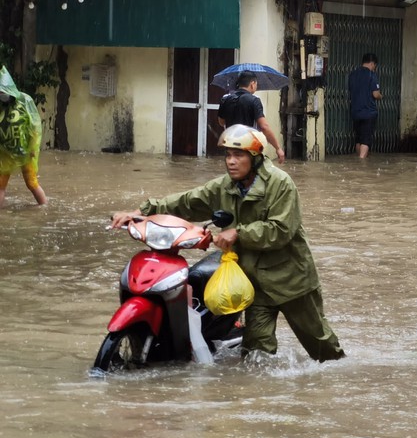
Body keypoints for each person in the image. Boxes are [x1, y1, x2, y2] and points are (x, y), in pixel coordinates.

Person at [110, 124, 345, 362]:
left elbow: (281, 230)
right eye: (228, 155)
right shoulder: (225, 186)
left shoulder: (280, 183)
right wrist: (142, 211)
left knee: (323, 349)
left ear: (255, 157)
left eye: (239, 155)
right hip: (256, 286)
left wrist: (238, 233)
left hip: (292, 282)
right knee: (256, 357)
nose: (231, 161)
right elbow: (189, 201)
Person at [0, 66, 48, 208]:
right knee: (0, 185)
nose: (1, 94)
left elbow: (34, 126)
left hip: (25, 151)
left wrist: (33, 147)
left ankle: (45, 208)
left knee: (32, 183)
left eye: (3, 91)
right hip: (5, 153)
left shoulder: (23, 100)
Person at [217, 70, 285, 164]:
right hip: (248, 147)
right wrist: (278, 148)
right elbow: (264, 126)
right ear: (252, 84)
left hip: (230, 147)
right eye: (256, 84)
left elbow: (221, 122)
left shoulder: (225, 99)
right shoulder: (254, 100)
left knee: (234, 172)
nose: (256, 87)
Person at [347, 53, 382, 158]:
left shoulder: (352, 74)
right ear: (372, 63)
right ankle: (361, 165)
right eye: (375, 65)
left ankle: (358, 161)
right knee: (366, 140)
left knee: (359, 139)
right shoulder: (372, 75)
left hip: (355, 112)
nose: (374, 68)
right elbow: (375, 94)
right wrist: (381, 96)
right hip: (368, 112)